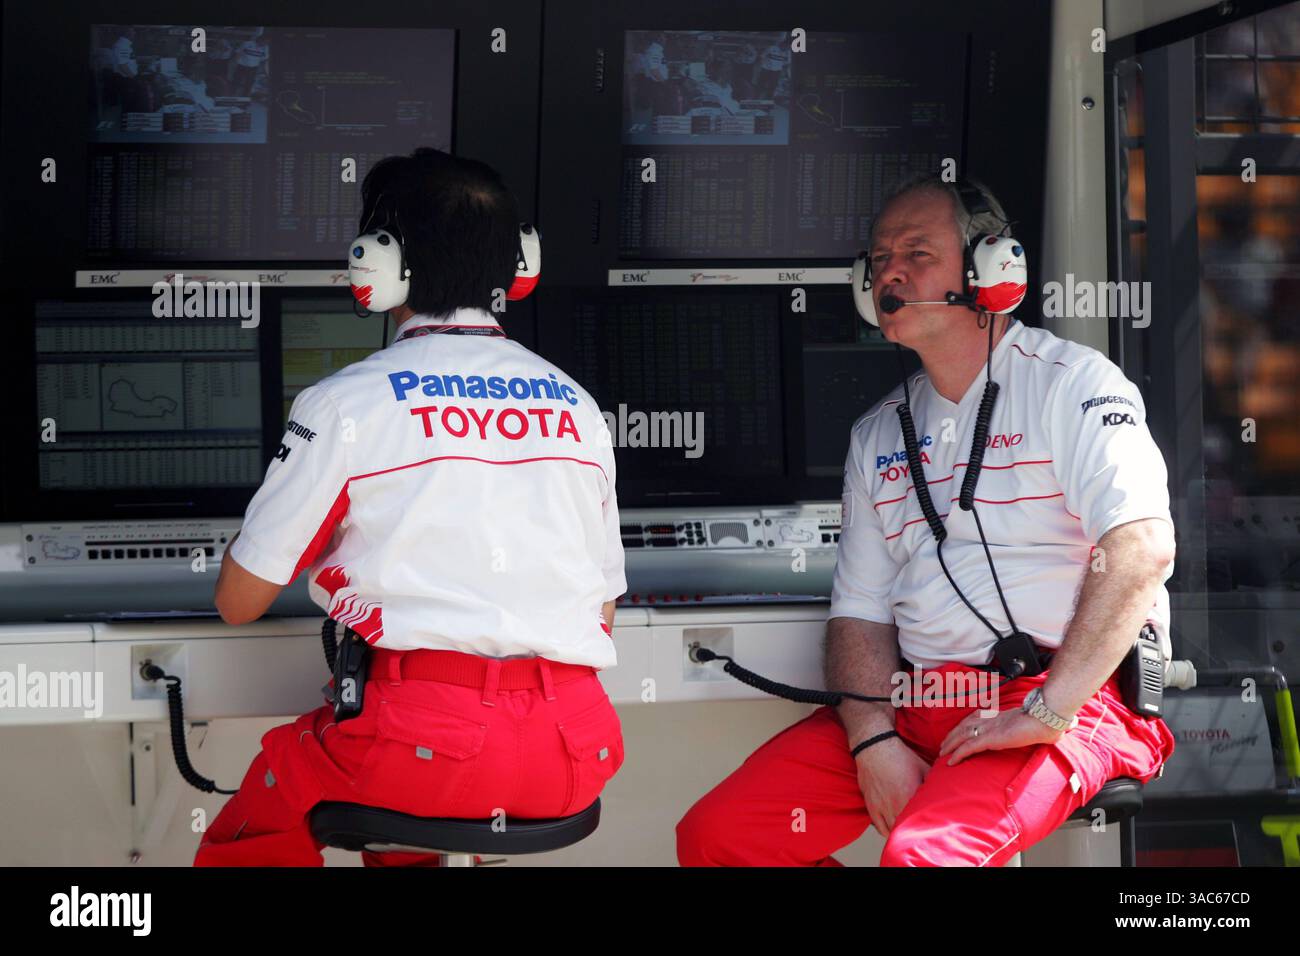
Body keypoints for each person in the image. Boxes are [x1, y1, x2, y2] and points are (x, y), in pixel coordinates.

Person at [676, 172, 1177, 866]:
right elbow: (860, 616)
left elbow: (1140, 549)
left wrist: (1046, 711)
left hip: (1068, 700)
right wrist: (873, 738)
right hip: (916, 702)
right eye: (880, 258)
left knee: (922, 857)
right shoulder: (878, 432)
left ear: (991, 268)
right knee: (721, 837)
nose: (892, 273)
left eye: (917, 252)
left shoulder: (1075, 384)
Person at [195, 148, 627, 866]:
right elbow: (601, 611)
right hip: (573, 750)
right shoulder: (578, 406)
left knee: (262, 822)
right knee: (411, 824)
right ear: (521, 263)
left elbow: (239, 602)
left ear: (377, 263)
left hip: (424, 746)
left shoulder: (344, 403)